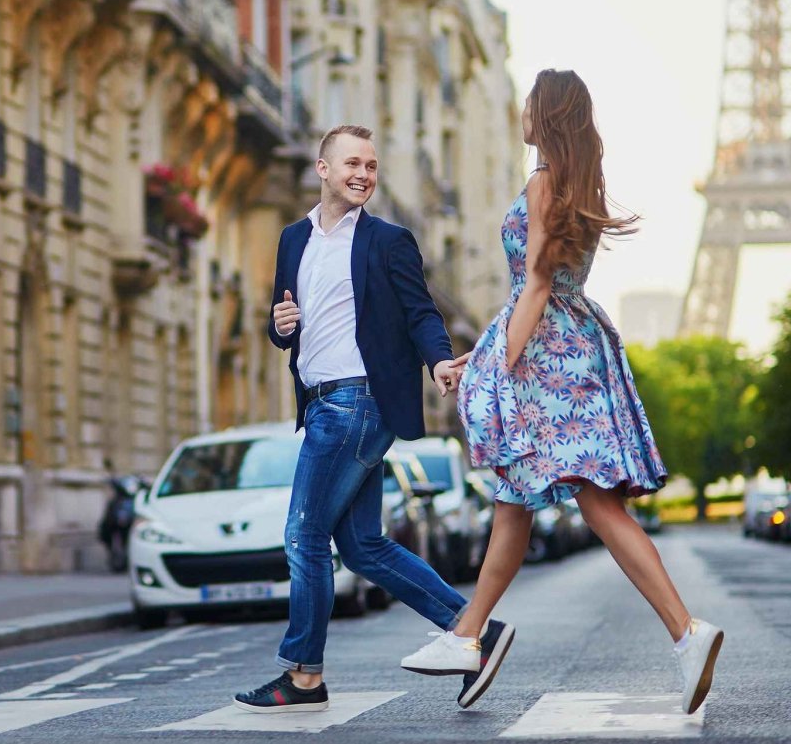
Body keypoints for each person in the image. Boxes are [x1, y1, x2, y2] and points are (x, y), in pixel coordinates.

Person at [429, 69, 723, 716]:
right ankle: (468, 633)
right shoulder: (575, 184)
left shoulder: (541, 182)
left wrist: (498, 368)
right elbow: (540, 291)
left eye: (530, 102)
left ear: (548, 113)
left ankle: (685, 630)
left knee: (590, 500)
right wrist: (475, 354)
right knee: (523, 500)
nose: (521, 111)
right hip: (574, 343)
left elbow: (533, 284)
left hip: (546, 358)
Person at [234, 124, 515, 716]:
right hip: (319, 402)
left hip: (356, 403)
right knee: (360, 546)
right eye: (352, 164)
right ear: (323, 169)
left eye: (372, 166)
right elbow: (284, 321)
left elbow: (420, 311)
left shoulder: (389, 240)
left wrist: (439, 359)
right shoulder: (293, 239)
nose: (363, 174)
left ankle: (304, 674)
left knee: (304, 536)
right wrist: (280, 327)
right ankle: (474, 631)